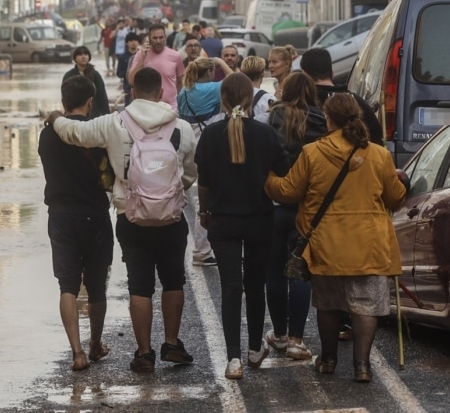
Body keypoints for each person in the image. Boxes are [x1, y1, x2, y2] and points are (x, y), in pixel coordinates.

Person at [47, 67, 197, 374]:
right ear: (161, 93)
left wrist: (54, 117)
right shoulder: (182, 127)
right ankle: (171, 343)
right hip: (171, 218)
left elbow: (73, 132)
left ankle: (144, 352)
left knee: (139, 285)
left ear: (133, 92)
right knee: (173, 280)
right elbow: (190, 174)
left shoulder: (114, 123)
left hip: (132, 217)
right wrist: (166, 196)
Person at [265, 93, 405, 383]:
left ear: (328, 119)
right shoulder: (379, 155)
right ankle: (362, 365)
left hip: (327, 242)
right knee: (366, 305)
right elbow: (395, 198)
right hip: (370, 244)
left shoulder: (312, 152)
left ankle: (328, 360)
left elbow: (288, 191)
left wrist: (267, 176)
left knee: (329, 304)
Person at [195, 73, 290, 379]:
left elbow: (204, 183)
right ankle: (253, 349)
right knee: (255, 285)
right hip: (259, 219)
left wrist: (205, 212)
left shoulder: (211, 134)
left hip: (222, 220)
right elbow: (284, 170)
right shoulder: (265, 133)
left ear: (222, 99)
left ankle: (233, 359)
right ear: (251, 98)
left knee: (230, 287)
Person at [39, 75, 113, 372]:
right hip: (95, 215)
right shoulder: (96, 133)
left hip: (60, 215)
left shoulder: (47, 135)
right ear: (90, 102)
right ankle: (95, 344)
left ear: (63, 101)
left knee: (67, 285)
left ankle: (77, 352)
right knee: (97, 286)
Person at [263, 72, 328, 361]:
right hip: (309, 205)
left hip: (277, 201)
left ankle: (279, 334)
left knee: (275, 270)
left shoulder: (275, 116)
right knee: (301, 270)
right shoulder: (322, 121)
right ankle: (296, 340)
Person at [177, 56, 235, 268]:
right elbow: (236, 80)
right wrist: (221, 62)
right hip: (209, 145)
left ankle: (198, 246)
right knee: (208, 198)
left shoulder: (184, 92)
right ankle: (202, 250)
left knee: (193, 192)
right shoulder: (213, 88)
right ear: (209, 72)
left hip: (189, 145)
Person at [299, 47, 383, 146]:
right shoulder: (355, 101)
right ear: (332, 72)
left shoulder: (301, 105)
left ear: (304, 75)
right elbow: (378, 138)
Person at [126, 23, 185, 110]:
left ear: (165, 37)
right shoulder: (140, 54)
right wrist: (142, 58)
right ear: (149, 38)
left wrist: (172, 97)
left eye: (161, 37)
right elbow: (131, 81)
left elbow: (180, 79)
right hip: (147, 108)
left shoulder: (175, 56)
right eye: (155, 38)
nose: (158, 41)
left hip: (170, 108)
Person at [62, 46, 110, 118]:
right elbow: (65, 95)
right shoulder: (69, 75)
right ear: (75, 58)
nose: (83, 57)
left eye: (85, 54)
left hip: (93, 114)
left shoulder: (95, 75)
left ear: (89, 57)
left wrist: (107, 115)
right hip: (74, 114)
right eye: (80, 54)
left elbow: (102, 95)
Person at [116, 32, 141, 106]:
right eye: (131, 40)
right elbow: (119, 73)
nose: (133, 42)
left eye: (135, 40)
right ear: (127, 43)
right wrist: (128, 74)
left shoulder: (141, 56)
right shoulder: (123, 57)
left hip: (140, 87)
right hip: (128, 88)